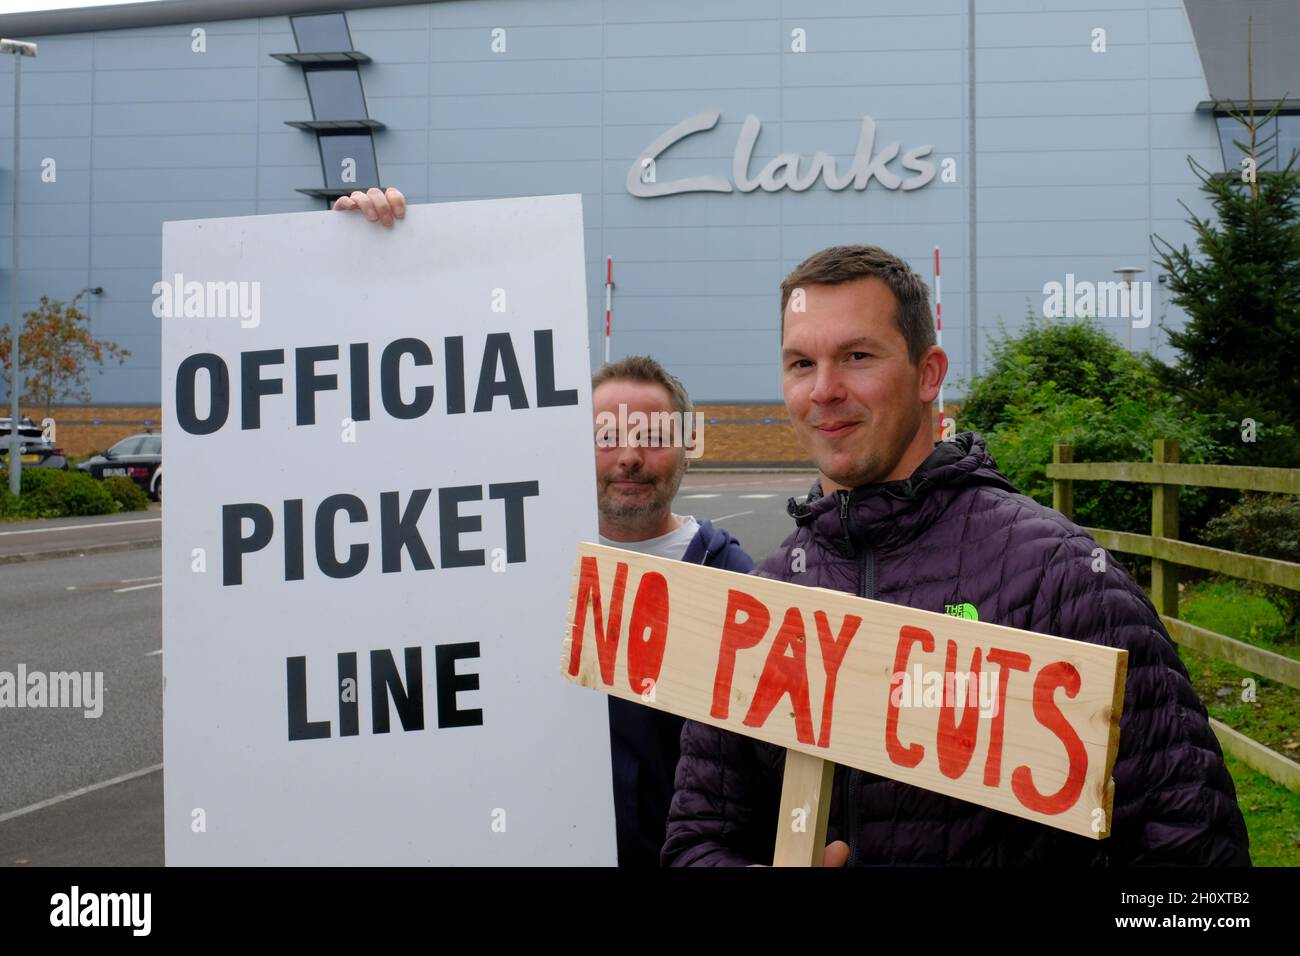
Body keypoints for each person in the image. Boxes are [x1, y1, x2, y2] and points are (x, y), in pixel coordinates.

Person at [662, 244, 1251, 867]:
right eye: (802, 362)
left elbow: (1197, 862)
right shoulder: (764, 605)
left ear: (928, 374)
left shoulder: (1063, 579)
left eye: (858, 356)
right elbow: (699, 841)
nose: (825, 390)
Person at [334, 188, 757, 866]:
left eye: (650, 434)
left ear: (685, 446)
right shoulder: (512, 573)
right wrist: (368, 255)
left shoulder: (738, 584)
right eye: (606, 435)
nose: (628, 455)